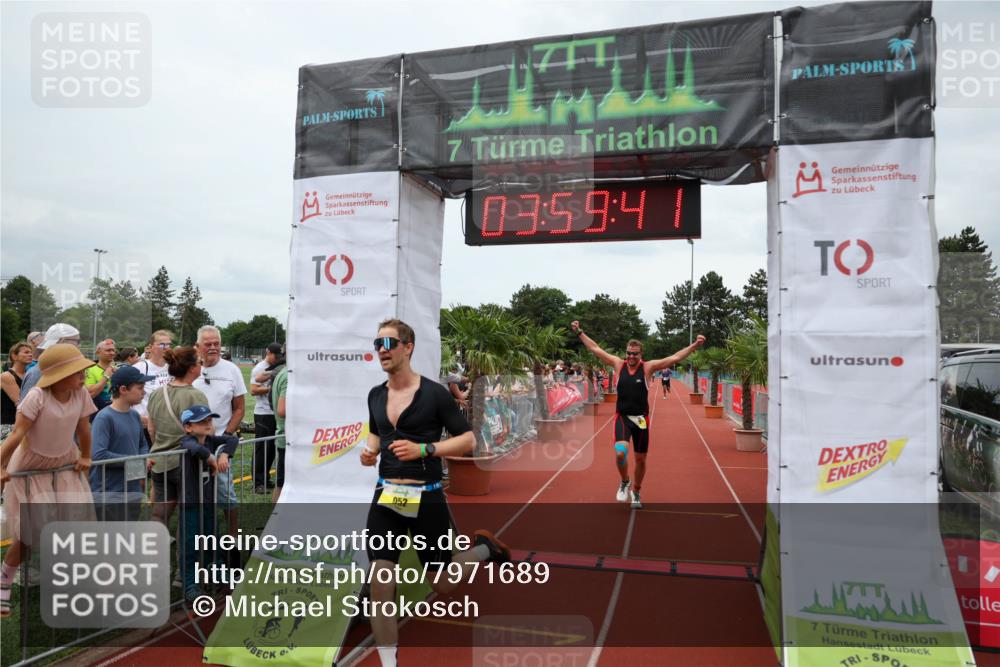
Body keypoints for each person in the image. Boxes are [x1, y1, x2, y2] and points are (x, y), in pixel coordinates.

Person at [361, 318, 510, 667]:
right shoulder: (375, 394)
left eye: (388, 343)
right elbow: (376, 432)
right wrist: (370, 451)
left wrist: (426, 449)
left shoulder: (434, 393)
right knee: (380, 581)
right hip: (386, 497)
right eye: (377, 344)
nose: (381, 350)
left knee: (442, 584)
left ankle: (484, 549)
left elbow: (468, 439)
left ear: (408, 347)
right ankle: (389, 662)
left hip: (426, 498)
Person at [0, 344, 97, 617]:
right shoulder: (37, 396)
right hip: (31, 468)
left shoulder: (80, 394)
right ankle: (4, 580)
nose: (83, 376)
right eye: (77, 371)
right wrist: (1, 465)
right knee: (29, 534)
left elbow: (84, 429)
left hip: (64, 465)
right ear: (59, 375)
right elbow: (17, 434)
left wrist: (86, 456)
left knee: (72, 527)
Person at [571, 320, 705, 509]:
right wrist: (579, 332)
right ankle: (625, 481)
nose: (631, 356)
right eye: (628, 353)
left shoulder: (648, 367)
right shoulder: (618, 364)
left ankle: (636, 491)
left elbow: (674, 357)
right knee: (620, 453)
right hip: (623, 417)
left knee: (640, 459)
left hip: (641, 420)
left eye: (635, 353)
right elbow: (595, 349)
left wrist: (695, 345)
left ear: (641, 354)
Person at [176, 405, 239, 603]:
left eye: (209, 420)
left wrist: (224, 454)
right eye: (202, 422)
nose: (208, 424)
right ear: (188, 427)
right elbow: (195, 449)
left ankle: (218, 574)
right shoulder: (186, 441)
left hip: (209, 502)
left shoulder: (211, 440)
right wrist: (211, 457)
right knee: (190, 545)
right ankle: (190, 585)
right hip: (191, 503)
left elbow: (233, 439)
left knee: (213, 539)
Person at [146, 347, 210, 530]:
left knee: (160, 513)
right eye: (199, 362)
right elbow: (204, 432)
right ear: (192, 368)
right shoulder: (195, 395)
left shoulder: (157, 393)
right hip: (186, 463)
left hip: (159, 460)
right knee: (188, 516)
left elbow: (151, 429)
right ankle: (186, 549)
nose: (201, 365)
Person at [192, 325, 246, 534]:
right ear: (198, 346)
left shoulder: (232, 370)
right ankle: (201, 533)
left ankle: (232, 535)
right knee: (194, 490)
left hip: (220, 443)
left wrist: (226, 437)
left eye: (217, 343)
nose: (213, 347)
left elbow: (239, 408)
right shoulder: (191, 370)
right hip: (193, 441)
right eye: (208, 344)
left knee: (225, 491)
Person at [90, 365, 155, 520]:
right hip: (109, 492)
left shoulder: (134, 415)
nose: (143, 392)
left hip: (131, 490)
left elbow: (142, 443)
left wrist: (143, 458)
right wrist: (136, 461)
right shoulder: (104, 418)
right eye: (140, 388)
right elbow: (99, 455)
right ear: (123, 389)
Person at [250, 343, 282, 494]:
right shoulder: (259, 368)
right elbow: (253, 390)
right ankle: (258, 483)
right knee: (261, 449)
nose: (277, 358)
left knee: (270, 449)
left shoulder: (276, 366)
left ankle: (265, 479)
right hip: (263, 413)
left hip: (273, 413)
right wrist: (272, 389)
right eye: (275, 356)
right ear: (268, 353)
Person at [19, 323, 81, 399]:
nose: (79, 346)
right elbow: (25, 405)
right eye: (77, 341)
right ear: (62, 341)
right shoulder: (38, 373)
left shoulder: (62, 370)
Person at [132, 330, 175, 434]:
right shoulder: (139, 368)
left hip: (167, 426)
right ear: (151, 347)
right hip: (144, 426)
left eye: (168, 345)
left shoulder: (174, 368)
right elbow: (122, 397)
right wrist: (137, 417)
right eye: (162, 344)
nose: (166, 348)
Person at [1, 342, 32, 438]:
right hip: (9, 425)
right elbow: (20, 402)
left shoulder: (29, 374)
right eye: (26, 352)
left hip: (24, 424)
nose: (30, 354)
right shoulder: (7, 376)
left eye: (31, 352)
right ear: (14, 356)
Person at [269, 361, 288, 504]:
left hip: (285, 437)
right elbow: (282, 410)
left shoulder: (284, 373)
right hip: (287, 439)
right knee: (282, 483)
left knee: (281, 482)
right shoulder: (289, 376)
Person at [85, 339, 117, 415]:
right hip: (97, 413)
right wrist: (106, 376)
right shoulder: (90, 370)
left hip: (115, 412)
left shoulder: (117, 370)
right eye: (108, 350)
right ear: (98, 352)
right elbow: (90, 394)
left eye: (113, 350)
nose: (112, 353)